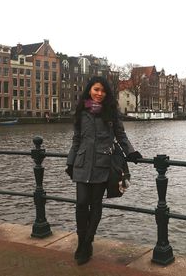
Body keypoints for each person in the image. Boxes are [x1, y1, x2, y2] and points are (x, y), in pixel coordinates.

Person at [65, 76, 142, 265]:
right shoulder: (82, 111)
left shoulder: (111, 112)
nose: (99, 94)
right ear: (89, 90)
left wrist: (131, 152)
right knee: (81, 203)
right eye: (96, 89)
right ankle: (81, 239)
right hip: (82, 164)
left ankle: (87, 243)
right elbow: (77, 139)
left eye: (103, 91)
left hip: (102, 163)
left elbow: (121, 135)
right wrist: (70, 162)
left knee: (95, 204)